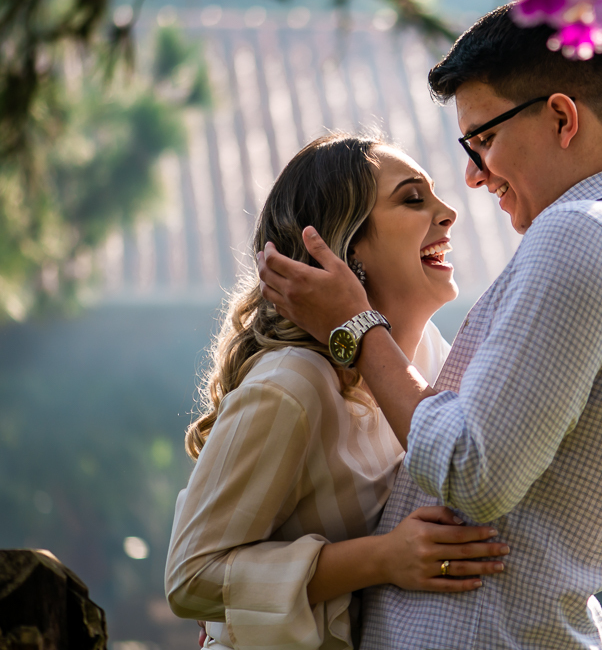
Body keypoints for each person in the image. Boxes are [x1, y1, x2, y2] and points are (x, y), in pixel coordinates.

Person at [257, 4, 602, 649]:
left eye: (483, 139)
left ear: (561, 118)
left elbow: (470, 471)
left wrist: (354, 329)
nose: (473, 175)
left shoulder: (579, 234)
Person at [165, 134, 511, 650]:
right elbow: (190, 577)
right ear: (345, 251)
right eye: (413, 199)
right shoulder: (292, 386)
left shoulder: (428, 359)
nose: (449, 213)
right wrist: (383, 558)